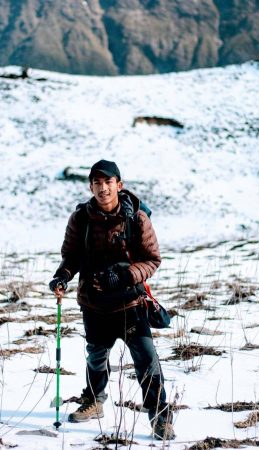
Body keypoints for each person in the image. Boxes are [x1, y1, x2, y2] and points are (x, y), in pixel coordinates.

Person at [49, 159, 175, 440]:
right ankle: (94, 401)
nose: (103, 188)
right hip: (94, 304)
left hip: (131, 304)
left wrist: (126, 275)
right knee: (95, 357)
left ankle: (160, 418)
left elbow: (153, 260)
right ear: (91, 186)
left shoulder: (137, 218)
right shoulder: (80, 219)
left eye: (108, 182)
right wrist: (62, 277)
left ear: (119, 185)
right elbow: (71, 257)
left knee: (147, 361)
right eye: (97, 183)